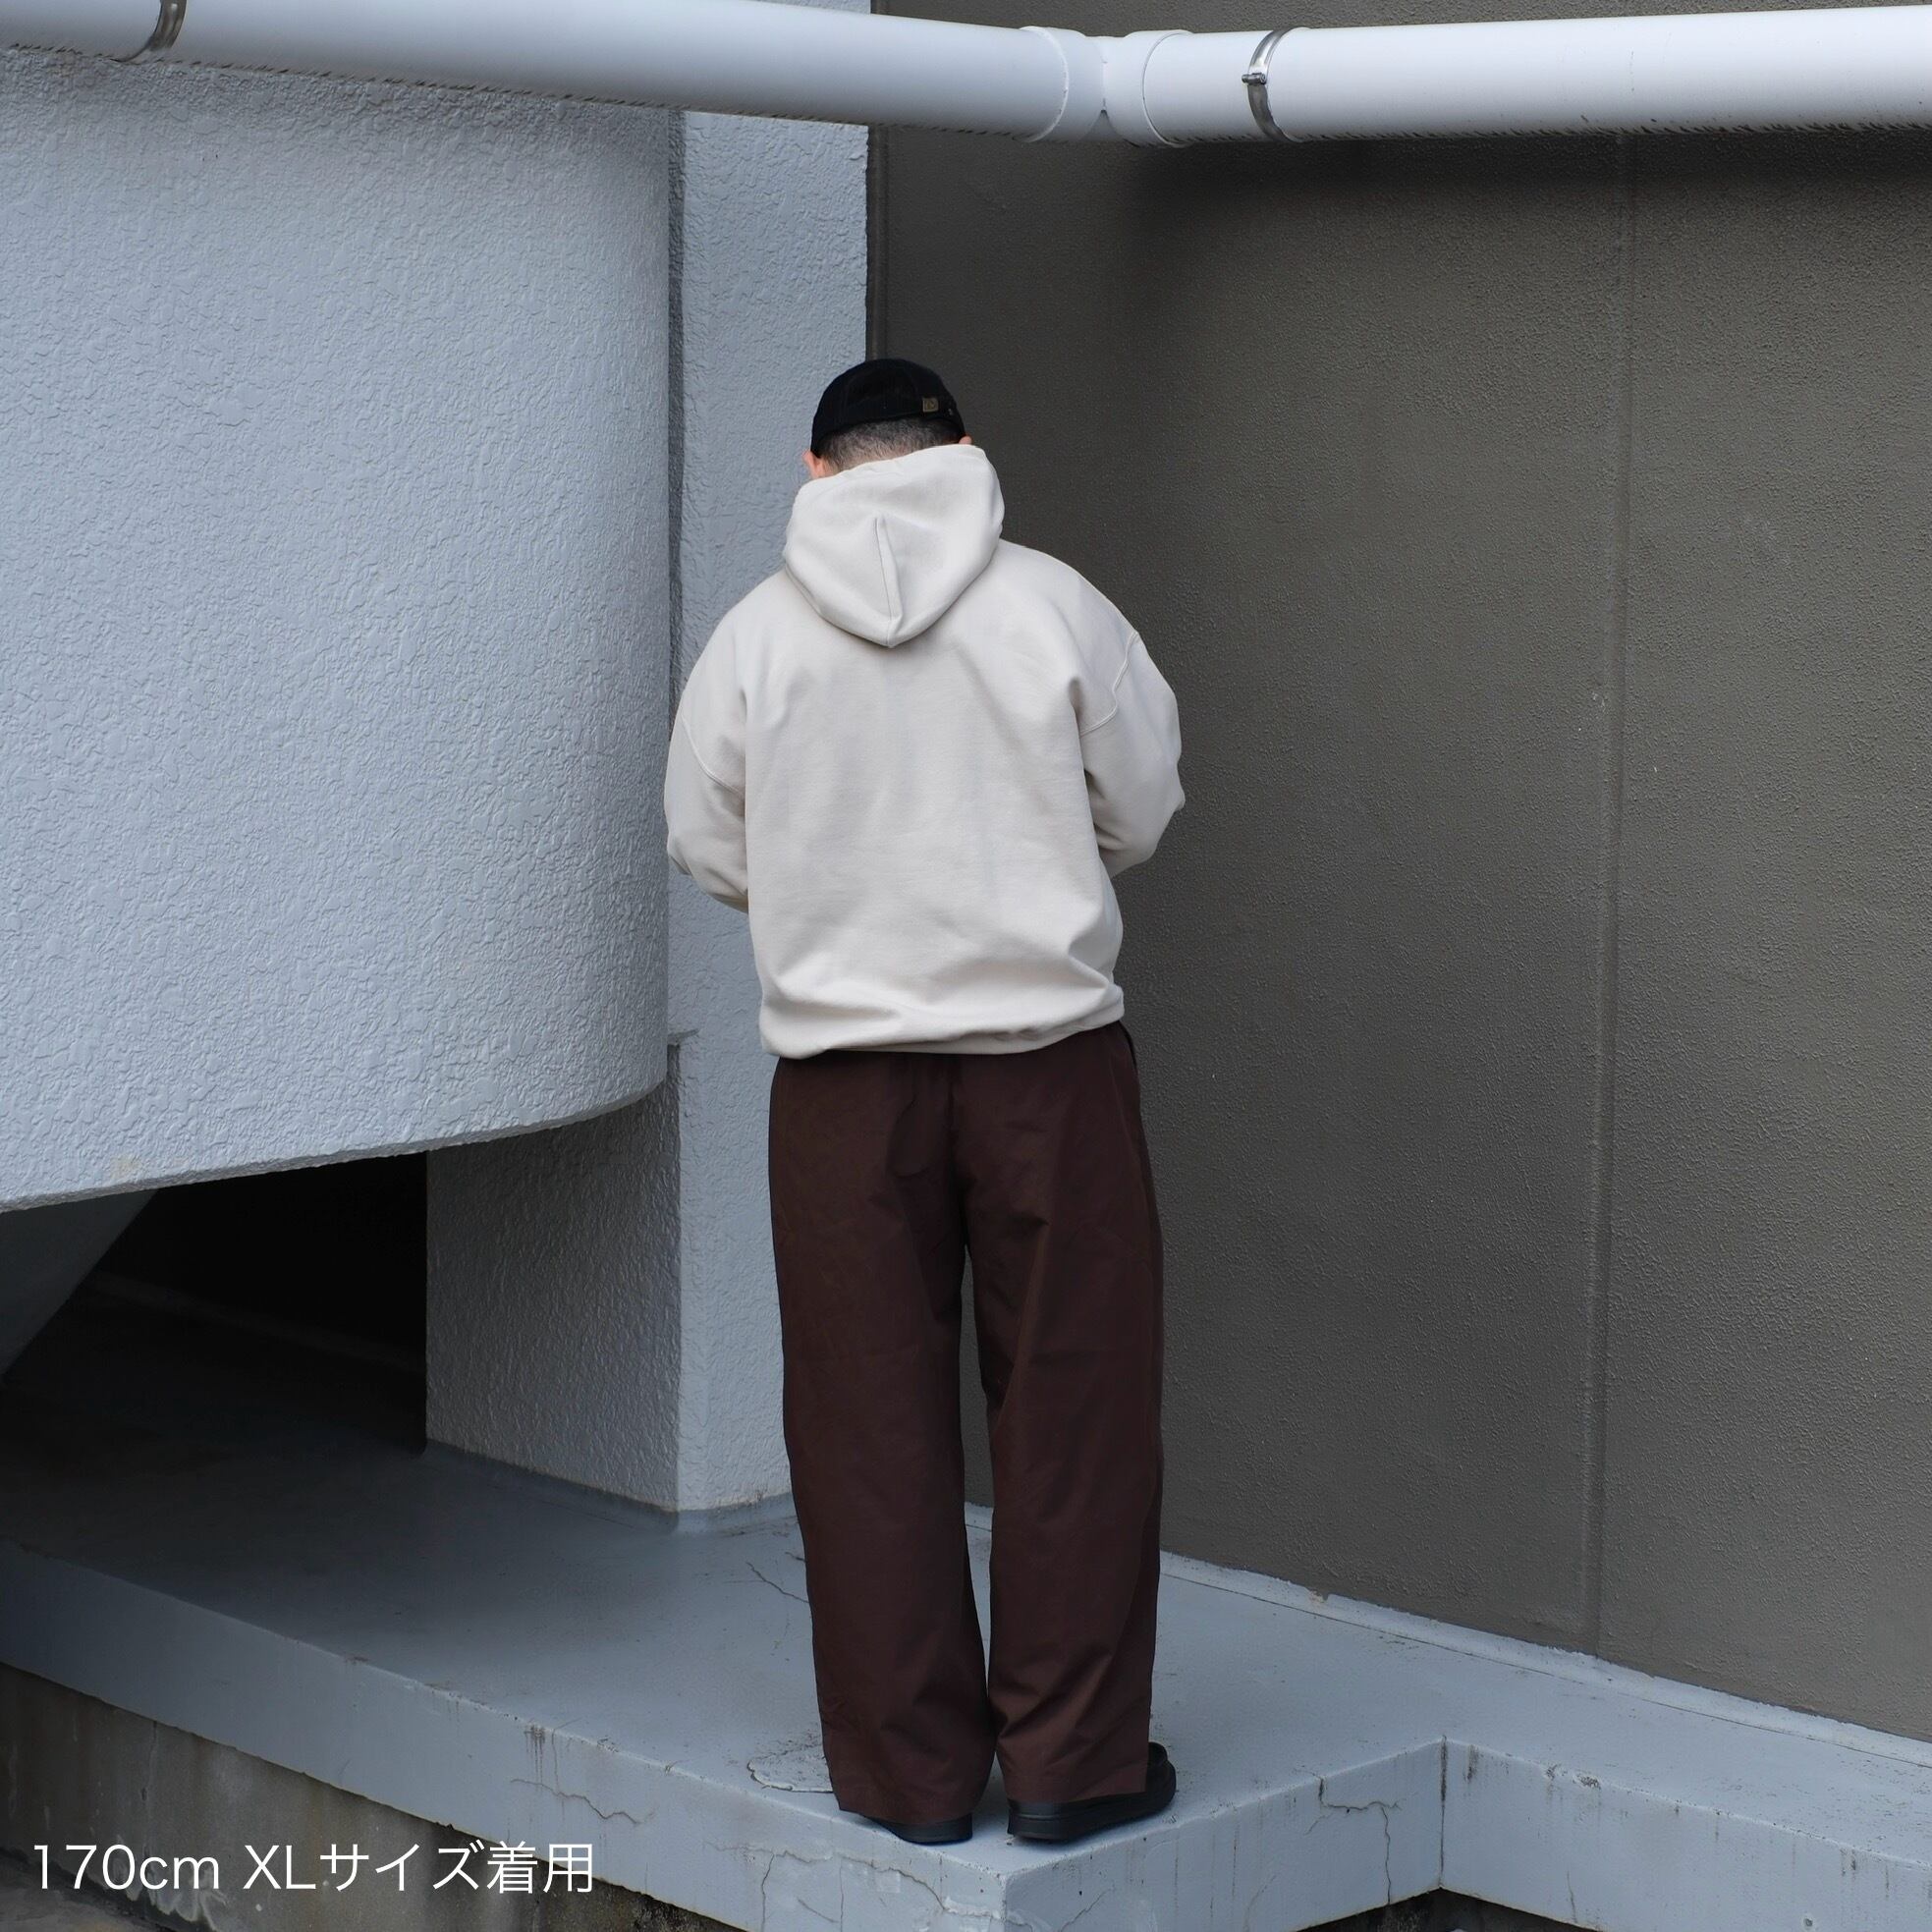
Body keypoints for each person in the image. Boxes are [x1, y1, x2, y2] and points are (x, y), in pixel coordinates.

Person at [664, 358, 1184, 1849]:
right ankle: (1073, 1767)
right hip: (1048, 1068)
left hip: (844, 1085)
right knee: (1076, 1411)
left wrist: (837, 902)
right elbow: (1143, 804)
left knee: (865, 1429)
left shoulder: (756, 638)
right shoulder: (1054, 605)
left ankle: (913, 1780)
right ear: (964, 448)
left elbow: (707, 840)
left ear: (817, 470)